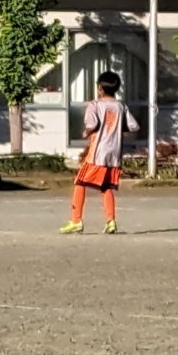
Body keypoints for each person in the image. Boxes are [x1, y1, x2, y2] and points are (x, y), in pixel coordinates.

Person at [60, 70, 138, 235]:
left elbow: (92, 124)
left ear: (100, 89)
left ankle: (76, 220)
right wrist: (118, 128)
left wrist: (86, 132)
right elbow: (133, 126)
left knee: (79, 182)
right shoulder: (121, 106)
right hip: (114, 154)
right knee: (105, 186)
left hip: (98, 153)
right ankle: (111, 221)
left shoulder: (94, 105)